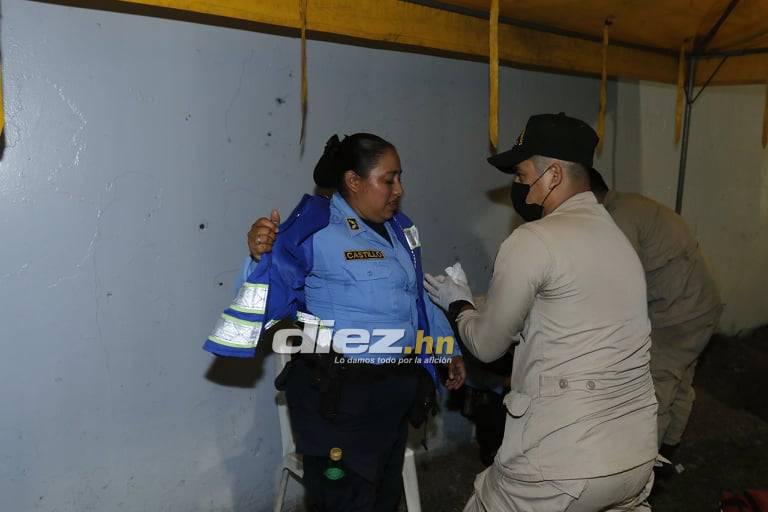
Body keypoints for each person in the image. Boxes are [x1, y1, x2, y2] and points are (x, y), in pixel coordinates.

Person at [211, 133, 466, 512]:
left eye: (400, 178)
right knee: (344, 501)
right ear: (353, 181)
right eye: (389, 179)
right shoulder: (313, 230)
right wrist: (258, 256)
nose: (399, 189)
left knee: (383, 497)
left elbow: (415, 295)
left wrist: (447, 348)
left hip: (392, 394)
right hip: (337, 402)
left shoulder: (399, 229)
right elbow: (266, 298)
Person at [425, 113, 658, 511]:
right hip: (634, 456)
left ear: (551, 176)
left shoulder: (532, 239)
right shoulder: (617, 239)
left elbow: (486, 345)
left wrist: (458, 303)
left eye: (520, 175)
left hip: (563, 462)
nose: (519, 189)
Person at [590, 169, 722, 470]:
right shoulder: (634, 204)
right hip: (700, 306)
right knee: (681, 377)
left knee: (653, 392)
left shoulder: (617, 219)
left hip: (676, 317)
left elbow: (619, 285)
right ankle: (671, 448)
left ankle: (643, 469)